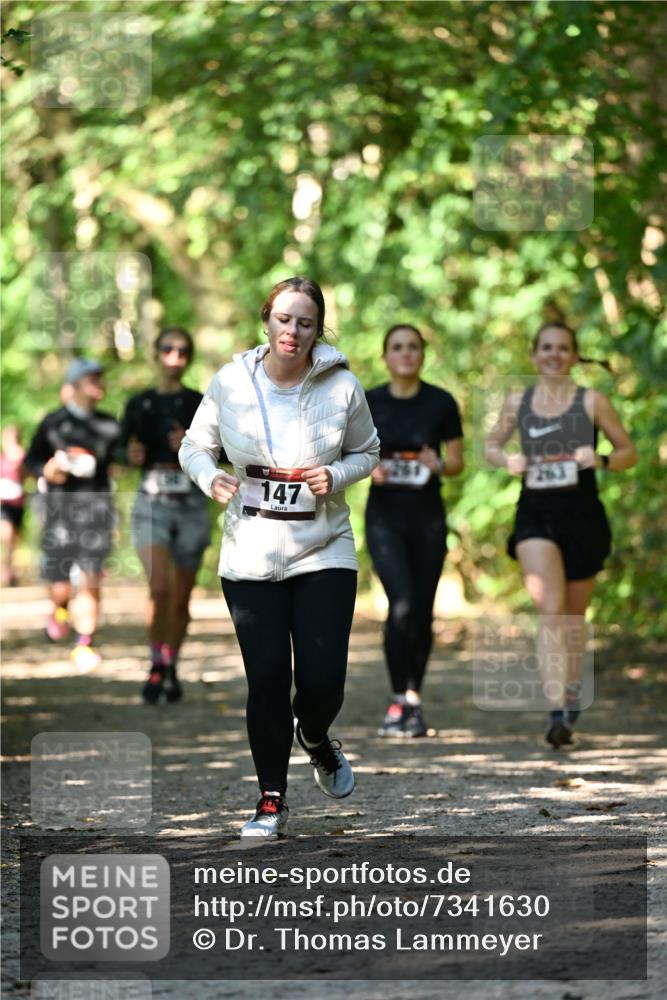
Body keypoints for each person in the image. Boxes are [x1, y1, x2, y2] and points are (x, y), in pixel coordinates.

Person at [179, 276, 380, 839]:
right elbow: (194, 444)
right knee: (266, 678)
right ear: (267, 320)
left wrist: (336, 474)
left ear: (319, 330)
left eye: (306, 323)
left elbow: (368, 449)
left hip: (323, 550)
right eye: (285, 319)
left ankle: (314, 737)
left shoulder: (343, 388)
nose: (293, 331)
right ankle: (271, 799)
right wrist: (209, 476)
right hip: (249, 553)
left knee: (323, 683)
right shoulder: (230, 381)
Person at [484, 322, 636, 747]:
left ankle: (570, 695)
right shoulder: (520, 401)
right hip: (535, 514)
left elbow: (629, 453)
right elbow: (491, 445)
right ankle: (557, 712)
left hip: (584, 517)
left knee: (572, 616)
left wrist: (601, 459)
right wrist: (507, 459)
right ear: (534, 356)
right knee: (550, 608)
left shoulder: (592, 401)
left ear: (574, 356)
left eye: (563, 348)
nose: (554, 354)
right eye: (546, 348)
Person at [365, 324, 464, 738]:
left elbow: (457, 462)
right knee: (401, 603)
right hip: (385, 518)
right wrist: (371, 467)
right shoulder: (369, 401)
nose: (405, 354)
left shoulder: (440, 402)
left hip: (427, 519)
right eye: (397, 347)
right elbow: (350, 453)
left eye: (413, 347)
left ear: (423, 355)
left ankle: (414, 698)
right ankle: (395, 699)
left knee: (422, 610)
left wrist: (436, 464)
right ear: (385, 356)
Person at [119, 327, 211, 704]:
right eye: (168, 349)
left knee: (180, 599)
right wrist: (131, 457)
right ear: (156, 354)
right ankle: (155, 661)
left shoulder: (200, 402)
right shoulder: (139, 404)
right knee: (159, 588)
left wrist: (193, 445)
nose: (176, 356)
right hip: (152, 502)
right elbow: (120, 452)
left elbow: (222, 453)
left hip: (190, 503)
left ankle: (171, 666)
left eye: (183, 350)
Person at [24, 358, 121, 670]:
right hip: (59, 512)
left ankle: (85, 642)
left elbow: (115, 468)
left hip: (97, 510)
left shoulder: (109, 425)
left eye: (101, 378)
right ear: (75, 384)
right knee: (61, 584)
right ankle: (60, 608)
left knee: (92, 579)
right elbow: (30, 462)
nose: (100, 384)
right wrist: (47, 471)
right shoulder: (53, 423)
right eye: (93, 378)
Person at [0, 425, 26, 587]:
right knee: (6, 535)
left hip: (18, 502)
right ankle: (5, 570)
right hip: (4, 502)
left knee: (13, 541)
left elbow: (29, 474)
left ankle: (9, 571)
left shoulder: (23, 456)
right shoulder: (2, 458)